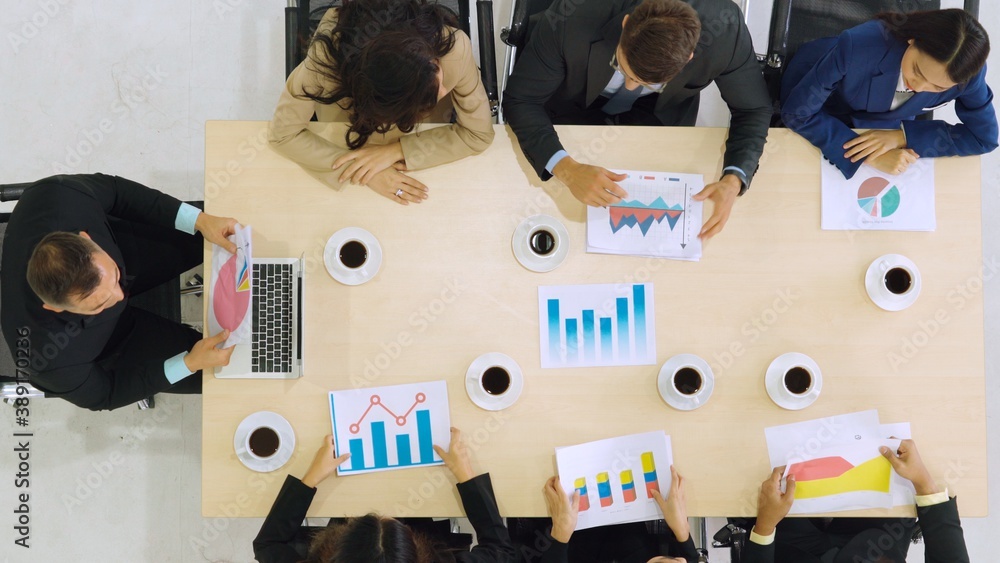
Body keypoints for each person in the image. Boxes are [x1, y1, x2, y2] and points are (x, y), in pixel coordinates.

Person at [502, 0, 771, 240]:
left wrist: (734, 177)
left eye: (646, 82)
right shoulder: (573, 13)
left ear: (688, 57)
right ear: (626, 23)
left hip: (658, 122)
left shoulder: (725, 28)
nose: (631, 86)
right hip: (569, 109)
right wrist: (567, 170)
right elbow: (522, 100)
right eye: (623, 69)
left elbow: (753, 109)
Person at [0, 174, 238, 411]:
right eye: (99, 303)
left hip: (128, 250)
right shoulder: (47, 360)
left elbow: (118, 193)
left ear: (85, 237)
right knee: (229, 366)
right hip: (114, 342)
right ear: (55, 308)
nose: (119, 296)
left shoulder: (60, 195)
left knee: (233, 231)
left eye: (112, 278)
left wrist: (200, 220)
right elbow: (106, 395)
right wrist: (188, 364)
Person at [269, 0, 494, 205]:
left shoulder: (454, 49)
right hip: (346, 134)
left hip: (421, 138)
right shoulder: (326, 58)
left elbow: (478, 134)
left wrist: (396, 151)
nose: (444, 92)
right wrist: (365, 171)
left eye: (434, 66)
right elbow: (283, 133)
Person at [781, 9, 997, 179]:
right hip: (825, 106)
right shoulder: (857, 45)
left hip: (886, 124)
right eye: (917, 71)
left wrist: (902, 136)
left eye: (939, 87)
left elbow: (983, 138)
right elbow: (798, 113)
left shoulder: (968, 76)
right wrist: (868, 156)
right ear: (912, 40)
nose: (919, 88)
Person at [252, 429, 519, 562]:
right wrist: (467, 476)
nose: (388, 510)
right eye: (390, 520)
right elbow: (501, 551)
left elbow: (266, 546)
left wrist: (310, 478)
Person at [743, 440, 970, 562]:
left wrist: (765, 525)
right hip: (877, 542)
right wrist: (924, 483)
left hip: (793, 551)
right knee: (866, 448)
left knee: (761, 472)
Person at [532, 466, 698, 563]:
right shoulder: (681, 559)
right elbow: (689, 557)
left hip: (573, 527)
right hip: (617, 498)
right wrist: (681, 529)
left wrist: (560, 535)